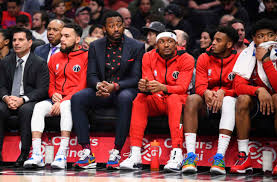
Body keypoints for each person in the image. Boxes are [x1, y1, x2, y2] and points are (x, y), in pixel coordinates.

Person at [71, 11, 145, 169]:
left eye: (119, 25)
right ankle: (86, 152)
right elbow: (91, 75)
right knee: (77, 98)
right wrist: (99, 86)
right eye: (111, 26)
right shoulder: (95, 46)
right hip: (102, 89)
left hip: (124, 88)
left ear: (124, 25)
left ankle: (116, 152)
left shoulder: (137, 46)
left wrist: (116, 86)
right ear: (104, 28)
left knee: (125, 98)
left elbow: (136, 77)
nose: (116, 28)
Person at [120, 31, 194, 172]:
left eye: (170, 41)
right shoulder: (148, 56)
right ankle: (135, 155)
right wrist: (144, 86)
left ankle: (177, 154)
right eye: (162, 42)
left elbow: (182, 88)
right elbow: (148, 81)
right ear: (156, 45)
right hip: (157, 98)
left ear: (176, 44)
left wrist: (163, 88)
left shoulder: (187, 58)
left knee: (173, 98)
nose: (166, 45)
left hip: (179, 100)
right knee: (140, 99)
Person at [23, 24, 88, 169]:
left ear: (77, 39)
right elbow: (50, 83)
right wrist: (54, 95)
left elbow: (82, 86)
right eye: (62, 36)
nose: (62, 39)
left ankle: (62, 154)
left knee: (66, 105)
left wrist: (63, 100)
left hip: (74, 99)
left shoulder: (86, 57)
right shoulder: (54, 58)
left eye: (67, 36)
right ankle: (37, 155)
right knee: (38, 107)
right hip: (55, 98)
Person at [182, 26, 239, 175]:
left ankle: (219, 157)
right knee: (192, 98)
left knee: (228, 101)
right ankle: (190, 156)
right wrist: (206, 92)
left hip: (230, 102)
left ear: (229, 44)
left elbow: (240, 87)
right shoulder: (203, 57)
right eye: (213, 39)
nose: (213, 43)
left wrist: (224, 92)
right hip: (207, 102)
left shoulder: (239, 58)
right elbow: (200, 85)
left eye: (218, 40)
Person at [230, 18, 277, 175]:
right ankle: (244, 156)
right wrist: (258, 90)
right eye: (261, 36)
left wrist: (266, 61)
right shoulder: (247, 54)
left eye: (270, 35)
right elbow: (237, 86)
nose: (265, 40)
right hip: (259, 100)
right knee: (242, 99)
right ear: (254, 39)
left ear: (276, 37)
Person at [0, 28, 49, 166]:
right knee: (0, 109)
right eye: (14, 40)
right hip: (9, 99)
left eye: (21, 40)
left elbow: (42, 89)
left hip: (28, 99)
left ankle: (24, 153)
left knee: (26, 110)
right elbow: (1, 86)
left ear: (29, 43)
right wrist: (6, 98)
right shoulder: (5, 61)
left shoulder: (39, 62)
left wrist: (23, 99)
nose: (16, 43)